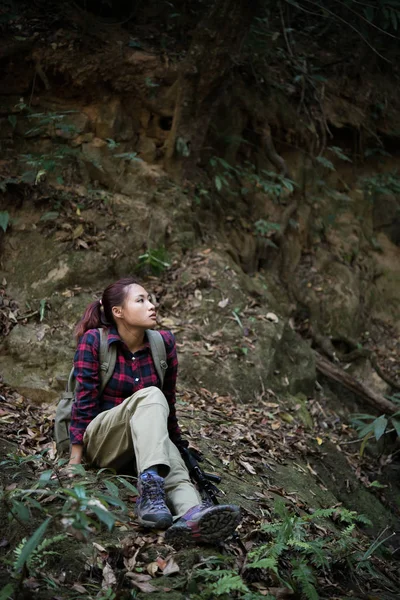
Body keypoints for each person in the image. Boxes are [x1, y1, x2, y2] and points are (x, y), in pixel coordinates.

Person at [68, 276, 241, 545]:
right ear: (118, 312)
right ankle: (149, 492)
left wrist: (178, 447)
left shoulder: (163, 344)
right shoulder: (94, 341)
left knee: (173, 460)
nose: (151, 305)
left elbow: (168, 406)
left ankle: (192, 516)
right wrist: (74, 463)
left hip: (140, 449)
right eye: (141, 300)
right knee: (150, 395)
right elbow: (83, 402)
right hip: (102, 444)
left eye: (150, 299)